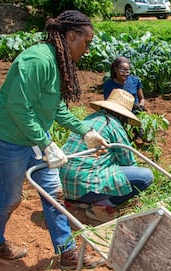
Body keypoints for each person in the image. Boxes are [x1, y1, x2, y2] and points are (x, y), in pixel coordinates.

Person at [0, 10, 108, 270]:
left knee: (54, 194)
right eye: (87, 42)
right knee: (10, 197)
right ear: (71, 36)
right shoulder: (36, 60)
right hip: (5, 137)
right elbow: (18, 108)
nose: (88, 48)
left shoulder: (59, 63)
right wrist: (47, 143)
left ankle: (67, 253)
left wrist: (85, 131)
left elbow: (56, 108)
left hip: (33, 136)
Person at [60, 89, 154, 222]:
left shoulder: (89, 118)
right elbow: (127, 161)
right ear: (123, 115)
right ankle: (101, 207)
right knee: (145, 177)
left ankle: (80, 202)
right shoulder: (114, 125)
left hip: (64, 183)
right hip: (84, 186)